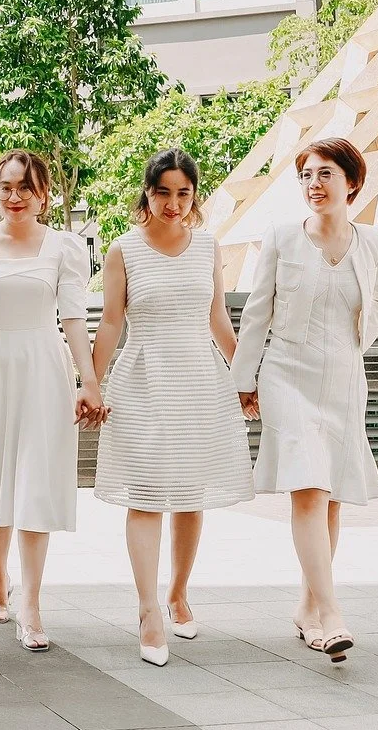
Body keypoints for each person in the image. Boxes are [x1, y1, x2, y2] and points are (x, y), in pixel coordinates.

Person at [232, 137, 378, 662]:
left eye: (325, 174)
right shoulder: (281, 238)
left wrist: (356, 343)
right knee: (306, 488)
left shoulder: (374, 244)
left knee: (329, 498)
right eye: (306, 175)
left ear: (351, 182)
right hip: (287, 372)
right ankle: (330, 613)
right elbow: (258, 312)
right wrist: (244, 379)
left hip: (344, 379)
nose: (314, 185)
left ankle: (308, 608)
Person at [0, 150, 107, 652]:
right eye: (6, 187)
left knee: (35, 480)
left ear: (44, 195)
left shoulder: (65, 248)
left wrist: (90, 379)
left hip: (44, 370)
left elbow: (74, 318)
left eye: (26, 188)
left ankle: (30, 601)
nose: (15, 197)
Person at [89, 149, 254, 667]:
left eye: (184, 193)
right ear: (148, 192)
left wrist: (246, 375)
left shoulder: (208, 246)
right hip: (141, 379)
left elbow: (218, 319)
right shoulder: (123, 250)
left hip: (199, 382)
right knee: (146, 496)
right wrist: (91, 382)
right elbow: (111, 323)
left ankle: (178, 592)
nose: (173, 203)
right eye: (164, 192)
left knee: (189, 495)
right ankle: (147, 611)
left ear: (194, 195)